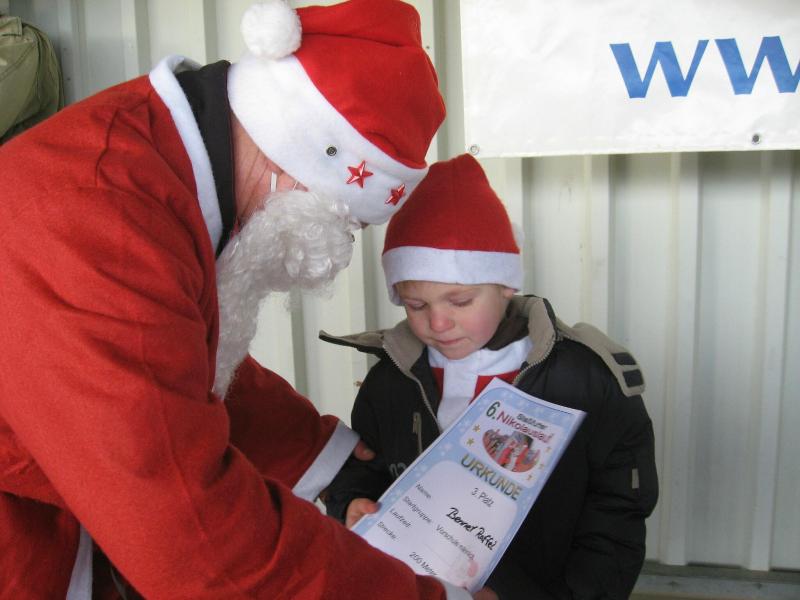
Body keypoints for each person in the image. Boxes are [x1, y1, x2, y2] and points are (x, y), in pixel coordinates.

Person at [0, 1, 494, 598]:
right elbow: (194, 543)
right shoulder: (99, 224)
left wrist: (328, 458)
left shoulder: (159, 159)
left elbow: (175, 362)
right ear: (299, 166)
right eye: (348, 221)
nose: (340, 247)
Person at [321, 154, 659, 600]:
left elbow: (618, 509)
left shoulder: (582, 379)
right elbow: (364, 466)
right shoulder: (393, 379)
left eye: (460, 301)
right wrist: (351, 503)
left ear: (506, 285)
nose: (438, 323)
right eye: (416, 305)